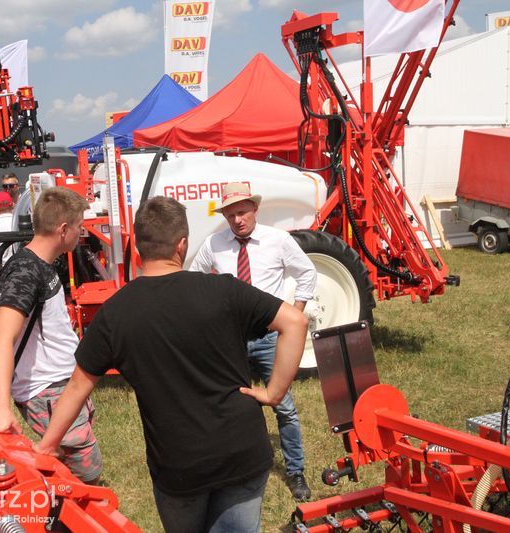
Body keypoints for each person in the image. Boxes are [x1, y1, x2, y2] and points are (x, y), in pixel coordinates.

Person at [35, 196, 308, 532]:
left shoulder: (115, 313)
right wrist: (274, 393)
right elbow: (295, 322)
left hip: (179, 465)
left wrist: (47, 446)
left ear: (137, 251)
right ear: (182, 245)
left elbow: (77, 386)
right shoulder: (224, 289)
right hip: (242, 451)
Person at [190, 182, 317, 501]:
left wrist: (294, 312)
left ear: (255, 209)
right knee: (227, 406)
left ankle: (296, 470)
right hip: (229, 341)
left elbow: (307, 273)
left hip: (269, 337)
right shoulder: (214, 244)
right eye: (230, 214)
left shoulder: (278, 240)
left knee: (284, 406)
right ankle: (231, 470)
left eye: (242, 212)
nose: (237, 220)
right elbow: (195, 279)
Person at [0, 186, 102, 484]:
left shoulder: (42, 265)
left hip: (61, 386)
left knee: (71, 475)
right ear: (63, 229)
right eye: (78, 226)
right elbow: (2, 339)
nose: (81, 233)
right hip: (47, 390)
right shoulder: (25, 272)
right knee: (86, 475)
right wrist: (0, 408)